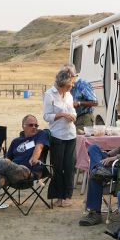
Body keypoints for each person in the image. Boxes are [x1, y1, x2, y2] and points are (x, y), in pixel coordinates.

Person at [43, 65, 78, 207]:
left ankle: (67, 196)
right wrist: (62, 114)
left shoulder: (69, 95)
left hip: (71, 135)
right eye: (71, 84)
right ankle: (58, 197)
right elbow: (46, 116)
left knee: (69, 167)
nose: (72, 86)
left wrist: (73, 116)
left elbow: (73, 111)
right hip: (57, 135)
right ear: (63, 83)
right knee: (58, 167)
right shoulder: (49, 94)